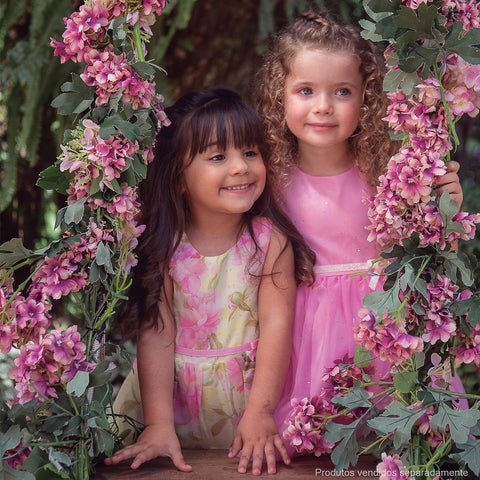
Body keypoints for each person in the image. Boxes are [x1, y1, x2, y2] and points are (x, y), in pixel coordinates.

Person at [254, 10, 464, 455]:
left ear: (367, 98)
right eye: (305, 90)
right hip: (303, 333)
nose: (323, 106)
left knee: (397, 444)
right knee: (314, 444)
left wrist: (446, 206)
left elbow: (428, 250)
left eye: (342, 91)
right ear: (280, 97)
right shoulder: (268, 178)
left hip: (383, 326)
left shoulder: (387, 171)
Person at [104, 87, 316, 474]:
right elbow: (156, 332)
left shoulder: (269, 241)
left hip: (248, 404)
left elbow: (276, 325)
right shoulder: (164, 245)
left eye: (250, 152)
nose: (240, 167)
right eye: (218, 156)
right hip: (169, 400)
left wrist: (260, 412)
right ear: (179, 178)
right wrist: (157, 424)